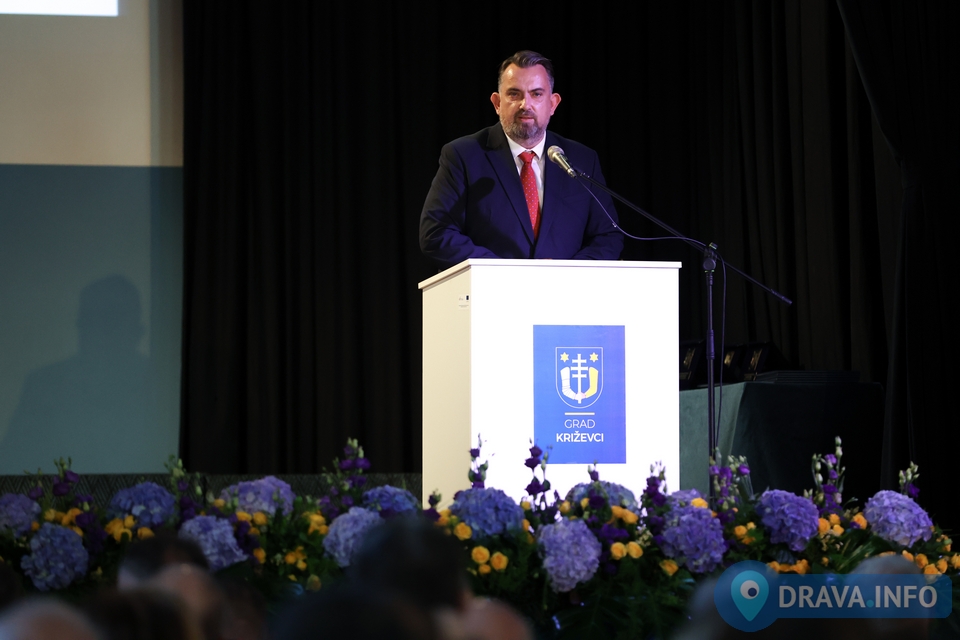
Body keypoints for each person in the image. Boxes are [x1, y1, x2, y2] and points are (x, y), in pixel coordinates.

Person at [419, 50, 623, 270]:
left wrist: (567, 273)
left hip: (566, 289)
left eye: (536, 94)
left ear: (553, 104)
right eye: (514, 94)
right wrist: (507, 272)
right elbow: (436, 232)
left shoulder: (581, 159)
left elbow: (608, 235)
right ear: (497, 103)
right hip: (492, 288)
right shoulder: (463, 155)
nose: (526, 104)